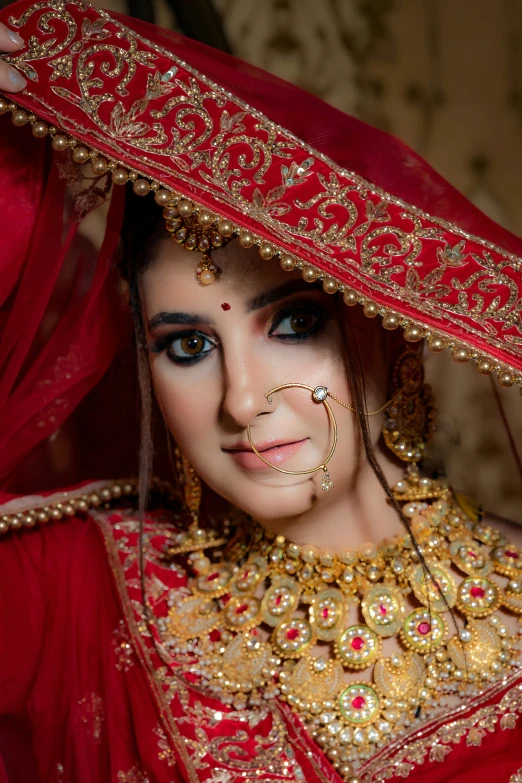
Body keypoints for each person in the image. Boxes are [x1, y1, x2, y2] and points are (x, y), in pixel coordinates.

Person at [0, 2, 521, 782]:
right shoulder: (74, 584)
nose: (242, 401)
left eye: (294, 323)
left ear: (386, 326)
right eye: (187, 346)